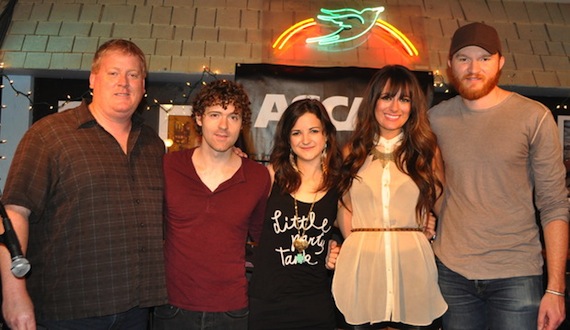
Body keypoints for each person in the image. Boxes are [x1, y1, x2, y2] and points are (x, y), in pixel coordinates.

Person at [0, 39, 167, 329]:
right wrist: (13, 293)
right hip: (66, 310)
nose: (123, 83)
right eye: (113, 73)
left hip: (137, 310)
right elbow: (13, 214)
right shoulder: (49, 135)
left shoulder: (153, 144)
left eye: (133, 75)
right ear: (93, 79)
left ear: (143, 85)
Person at [429, 22, 569, 330]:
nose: (473, 67)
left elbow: (554, 204)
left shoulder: (534, 117)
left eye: (484, 58)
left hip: (516, 275)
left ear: (500, 63)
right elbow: (429, 187)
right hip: (452, 275)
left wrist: (556, 288)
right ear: (450, 64)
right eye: (464, 58)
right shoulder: (435, 120)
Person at [332, 64, 447, 329]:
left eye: (404, 99)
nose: (394, 107)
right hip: (362, 270)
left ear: (413, 106)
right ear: (373, 101)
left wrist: (431, 226)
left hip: (413, 270)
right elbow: (341, 210)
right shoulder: (352, 151)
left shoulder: (427, 152)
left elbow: (444, 206)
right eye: (387, 97)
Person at [153, 79, 271, 330]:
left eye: (233, 117)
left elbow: (267, 239)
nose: (223, 126)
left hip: (232, 310)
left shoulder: (257, 177)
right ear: (198, 118)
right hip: (172, 308)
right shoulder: (168, 167)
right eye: (215, 114)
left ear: (242, 124)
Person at [248, 98, 343, 330]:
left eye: (313, 131)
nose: (306, 139)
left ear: (326, 135)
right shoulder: (271, 176)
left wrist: (337, 248)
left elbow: (358, 231)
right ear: (288, 140)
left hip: (315, 304)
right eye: (297, 132)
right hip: (267, 304)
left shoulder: (340, 185)